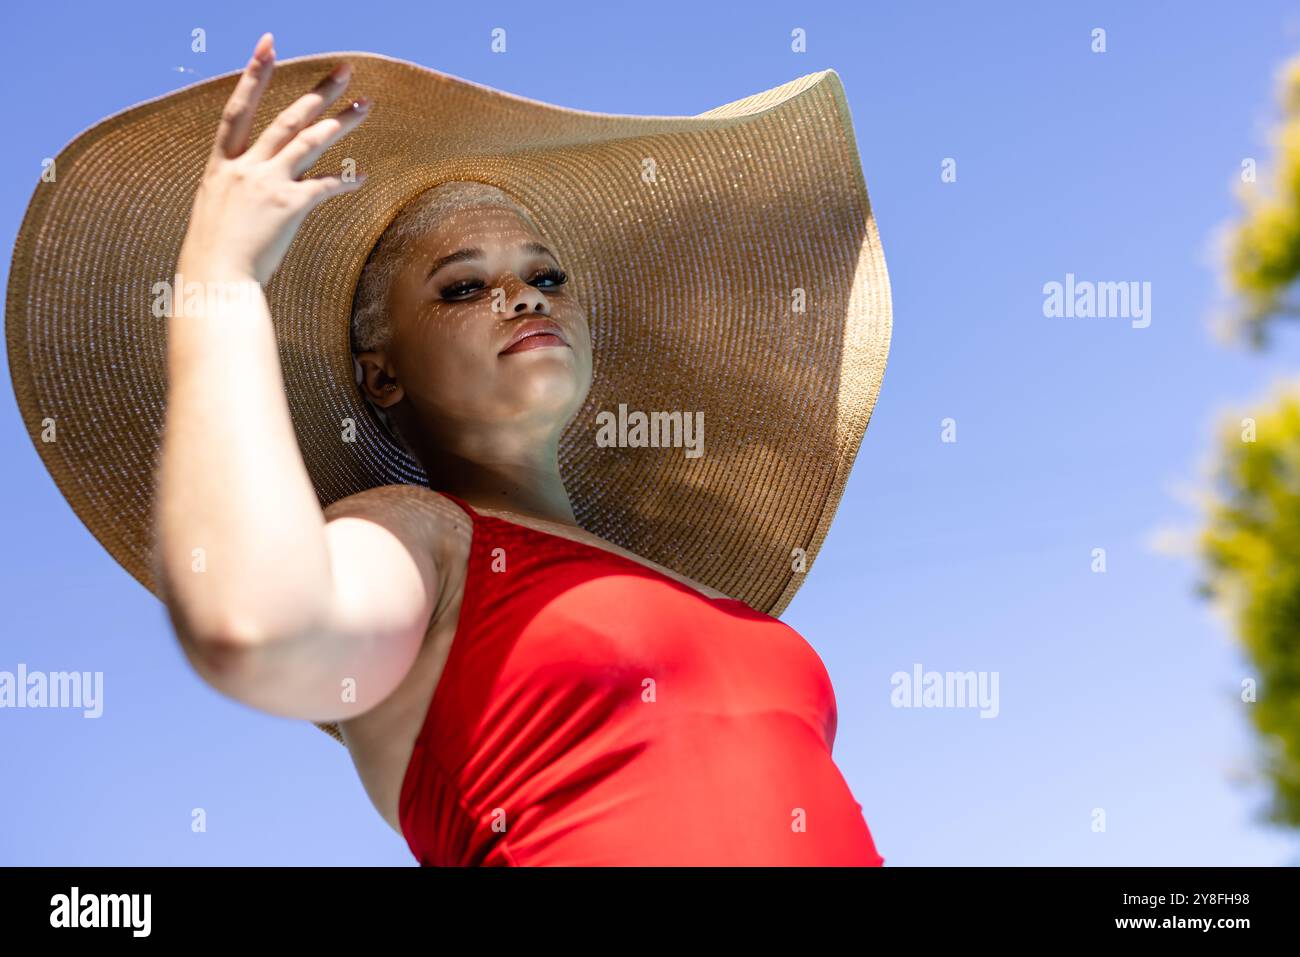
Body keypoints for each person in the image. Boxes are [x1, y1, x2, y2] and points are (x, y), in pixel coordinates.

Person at [11, 32, 891, 866]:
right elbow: (255, 629)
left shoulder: (692, 587)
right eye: (464, 286)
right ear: (383, 375)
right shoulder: (417, 538)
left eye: (546, 275)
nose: (523, 296)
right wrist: (219, 282)